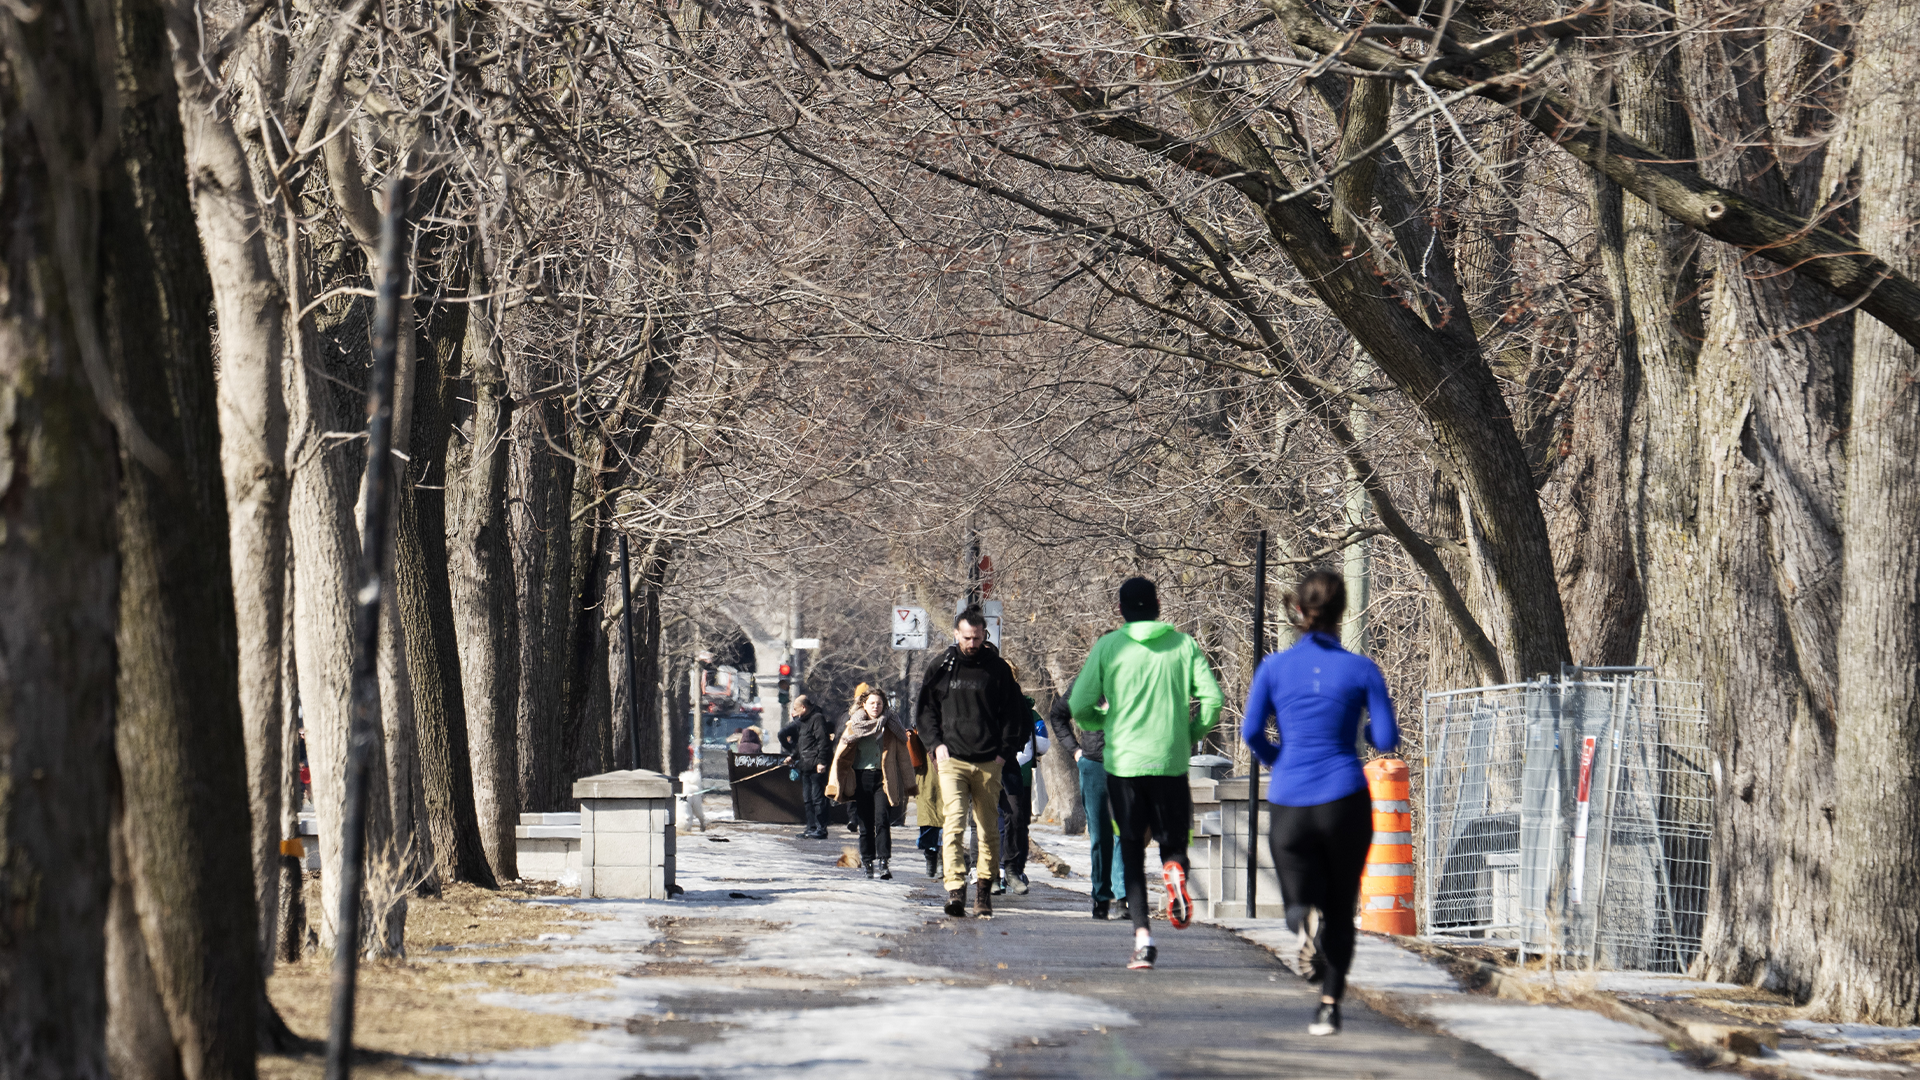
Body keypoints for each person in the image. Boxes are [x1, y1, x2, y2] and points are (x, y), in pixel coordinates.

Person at [1242, 569, 1398, 1037]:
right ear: (1342, 611)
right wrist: (1367, 731)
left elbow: (1251, 734)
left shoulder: (1273, 668)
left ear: (1300, 613)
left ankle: (1297, 912)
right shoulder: (1362, 669)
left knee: (1302, 891)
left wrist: (1280, 761)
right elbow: (1386, 739)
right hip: (1344, 798)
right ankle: (1329, 1006)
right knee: (1341, 906)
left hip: (1290, 801)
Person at [1070, 576, 1223, 971]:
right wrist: (1189, 732)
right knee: (1174, 843)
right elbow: (1212, 699)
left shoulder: (1108, 646)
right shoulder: (1183, 645)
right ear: (1157, 605)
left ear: (1121, 610)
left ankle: (1143, 941)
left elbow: (1080, 704)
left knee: (1133, 850)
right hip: (1170, 763)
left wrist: (1106, 720)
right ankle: (1174, 871)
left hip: (1123, 765)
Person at [918, 606, 1027, 919]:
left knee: (988, 827)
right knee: (953, 823)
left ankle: (983, 891)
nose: (972, 643)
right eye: (966, 637)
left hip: (988, 761)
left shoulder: (997, 670)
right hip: (951, 758)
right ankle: (955, 889)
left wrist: (1003, 752)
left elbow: (1012, 713)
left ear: (984, 635)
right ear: (956, 634)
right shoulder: (941, 666)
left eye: (977, 638)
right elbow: (925, 710)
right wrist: (935, 744)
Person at [1045, 686, 1129, 919]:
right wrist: (1075, 752)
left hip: (1129, 764)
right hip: (1094, 764)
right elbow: (1058, 715)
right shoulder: (1087, 680)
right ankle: (1101, 896)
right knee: (1100, 834)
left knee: (1124, 829)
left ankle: (1123, 898)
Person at [826, 688, 917, 879]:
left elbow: (903, 756)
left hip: (884, 779)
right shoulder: (854, 725)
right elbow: (840, 756)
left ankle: (884, 862)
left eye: (879, 704)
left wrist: (909, 783)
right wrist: (835, 783)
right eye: (872, 703)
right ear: (863, 705)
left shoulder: (891, 726)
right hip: (861, 779)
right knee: (865, 824)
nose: (876, 707)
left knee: (882, 820)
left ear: (884, 706)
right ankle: (868, 862)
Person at [996, 684, 1047, 895]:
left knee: (1015, 818)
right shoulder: (978, 690)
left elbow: (1035, 739)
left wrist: (1012, 749)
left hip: (1010, 767)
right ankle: (989, 872)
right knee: (989, 821)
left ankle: (1012, 869)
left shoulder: (1016, 699)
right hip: (983, 767)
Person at [786, 695, 831, 839]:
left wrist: (821, 762)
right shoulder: (803, 722)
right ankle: (810, 827)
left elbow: (823, 742)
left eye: (795, 708)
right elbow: (802, 745)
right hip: (805, 765)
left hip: (815, 765)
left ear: (803, 707)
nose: (794, 712)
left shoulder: (817, 719)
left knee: (817, 798)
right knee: (807, 798)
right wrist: (793, 757)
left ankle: (821, 828)